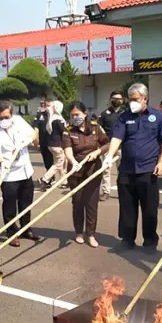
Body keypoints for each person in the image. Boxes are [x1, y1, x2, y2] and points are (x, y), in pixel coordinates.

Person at [102, 83, 162, 252]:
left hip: (148, 170)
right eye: (130, 100)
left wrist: (161, 162)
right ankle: (127, 240)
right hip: (127, 170)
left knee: (149, 209)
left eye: (136, 99)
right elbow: (117, 138)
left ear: (145, 99)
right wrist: (109, 155)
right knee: (127, 208)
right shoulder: (124, 117)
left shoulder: (157, 116)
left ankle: (150, 241)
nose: (132, 103)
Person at [0, 100, 41, 247]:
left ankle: (25, 229)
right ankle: (11, 233)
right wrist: (2, 162)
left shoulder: (18, 121)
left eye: (6, 117)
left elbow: (34, 134)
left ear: (11, 115)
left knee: (26, 202)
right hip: (8, 174)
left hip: (25, 170)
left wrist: (30, 139)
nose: (3, 121)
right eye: (0, 118)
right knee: (10, 205)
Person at [62, 101, 110, 248]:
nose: (75, 117)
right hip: (75, 172)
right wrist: (72, 161)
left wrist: (98, 152)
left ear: (85, 114)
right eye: (72, 115)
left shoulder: (95, 127)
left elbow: (107, 143)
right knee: (77, 202)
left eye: (77, 114)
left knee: (91, 203)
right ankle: (78, 232)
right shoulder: (68, 130)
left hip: (93, 170)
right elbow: (67, 148)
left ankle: (91, 234)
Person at [98, 91, 124, 201]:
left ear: (122, 101)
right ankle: (105, 191)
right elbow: (99, 127)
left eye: (119, 99)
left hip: (121, 147)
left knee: (122, 171)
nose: (117, 100)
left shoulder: (125, 114)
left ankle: (123, 192)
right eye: (114, 98)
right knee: (106, 170)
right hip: (107, 146)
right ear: (110, 99)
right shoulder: (104, 114)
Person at [38, 100, 66, 190]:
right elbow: (64, 131)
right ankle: (45, 179)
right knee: (58, 164)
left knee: (59, 163)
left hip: (51, 144)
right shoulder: (58, 119)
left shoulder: (51, 118)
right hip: (57, 145)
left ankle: (64, 181)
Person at [33, 100, 54, 171]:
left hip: (53, 142)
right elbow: (36, 127)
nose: (48, 107)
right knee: (46, 161)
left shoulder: (55, 115)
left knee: (52, 161)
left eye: (49, 106)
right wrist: (36, 140)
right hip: (43, 142)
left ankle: (50, 178)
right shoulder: (40, 115)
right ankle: (50, 177)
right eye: (46, 106)